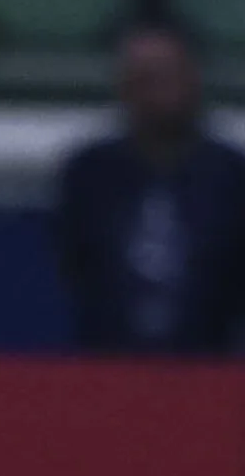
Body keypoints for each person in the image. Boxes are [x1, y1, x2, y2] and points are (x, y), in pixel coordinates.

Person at [56, 20, 245, 352]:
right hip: (107, 365)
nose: (158, 93)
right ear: (124, 87)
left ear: (193, 80)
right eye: (145, 79)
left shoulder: (229, 174)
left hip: (210, 367)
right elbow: (76, 266)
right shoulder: (90, 173)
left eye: (167, 77)